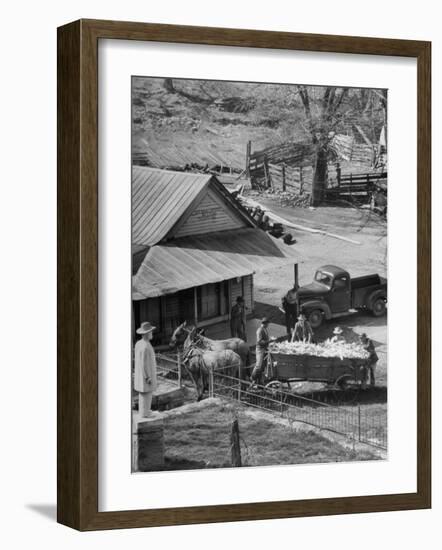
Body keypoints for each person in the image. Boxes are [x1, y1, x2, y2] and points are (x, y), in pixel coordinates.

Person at [134, 321, 158, 417]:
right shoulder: (145, 346)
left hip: (140, 375)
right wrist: (147, 377)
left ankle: (143, 411)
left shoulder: (139, 343)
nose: (152, 334)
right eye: (151, 332)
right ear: (147, 334)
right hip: (146, 375)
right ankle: (145, 413)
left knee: (143, 395)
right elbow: (143, 364)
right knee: (147, 394)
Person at [250, 317, 270, 386]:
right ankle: (252, 378)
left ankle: (260, 380)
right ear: (265, 324)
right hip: (260, 349)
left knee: (263, 365)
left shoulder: (265, 329)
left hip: (264, 349)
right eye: (267, 324)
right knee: (258, 365)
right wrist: (269, 341)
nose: (268, 325)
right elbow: (259, 341)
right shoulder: (260, 330)